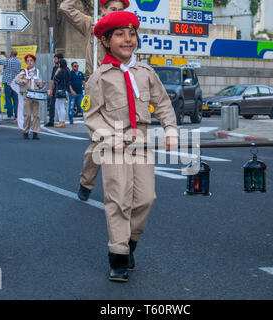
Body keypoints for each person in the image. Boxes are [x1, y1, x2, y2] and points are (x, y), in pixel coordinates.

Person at [85, 11, 178, 282]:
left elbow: (163, 104)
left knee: (146, 198)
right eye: (119, 34)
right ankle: (118, 256)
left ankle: (131, 243)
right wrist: (113, 140)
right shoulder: (99, 77)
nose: (128, 39)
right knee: (118, 200)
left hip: (142, 143)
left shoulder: (145, 72)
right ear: (106, 41)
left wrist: (170, 130)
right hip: (113, 145)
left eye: (132, 33)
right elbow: (91, 116)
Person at [59, 0, 130, 202]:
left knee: (123, 139)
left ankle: (121, 189)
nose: (116, 13)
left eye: (120, 10)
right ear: (104, 9)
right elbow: (65, 8)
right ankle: (86, 182)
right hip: (96, 87)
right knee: (98, 142)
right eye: (112, 9)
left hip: (119, 89)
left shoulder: (127, 33)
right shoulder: (91, 26)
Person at [14, 54, 46, 140]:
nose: (29, 62)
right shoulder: (24, 72)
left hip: (35, 94)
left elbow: (39, 83)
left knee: (36, 114)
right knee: (27, 114)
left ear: (34, 62)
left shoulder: (37, 72)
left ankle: (35, 132)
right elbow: (16, 80)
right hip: (27, 94)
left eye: (31, 60)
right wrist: (24, 81)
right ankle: (26, 131)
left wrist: (41, 85)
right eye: (28, 61)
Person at [0, 49, 21, 120]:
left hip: (7, 82)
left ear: (11, 54)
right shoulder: (19, 62)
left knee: (8, 98)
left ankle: (9, 114)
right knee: (15, 99)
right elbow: (10, 61)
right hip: (15, 83)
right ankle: (16, 115)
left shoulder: (7, 61)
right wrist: (6, 55)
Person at [45, 53, 63, 127]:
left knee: (56, 106)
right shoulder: (66, 68)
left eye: (55, 59)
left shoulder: (56, 68)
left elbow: (52, 80)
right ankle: (55, 121)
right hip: (61, 89)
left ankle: (56, 121)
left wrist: (51, 89)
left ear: (59, 59)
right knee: (56, 106)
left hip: (57, 89)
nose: (54, 60)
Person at [53, 59, 71, 128]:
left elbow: (55, 79)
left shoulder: (61, 71)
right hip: (64, 90)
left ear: (60, 64)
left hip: (61, 90)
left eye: (59, 64)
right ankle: (61, 121)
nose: (58, 65)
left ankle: (62, 122)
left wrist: (57, 72)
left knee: (60, 106)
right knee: (59, 106)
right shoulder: (67, 71)